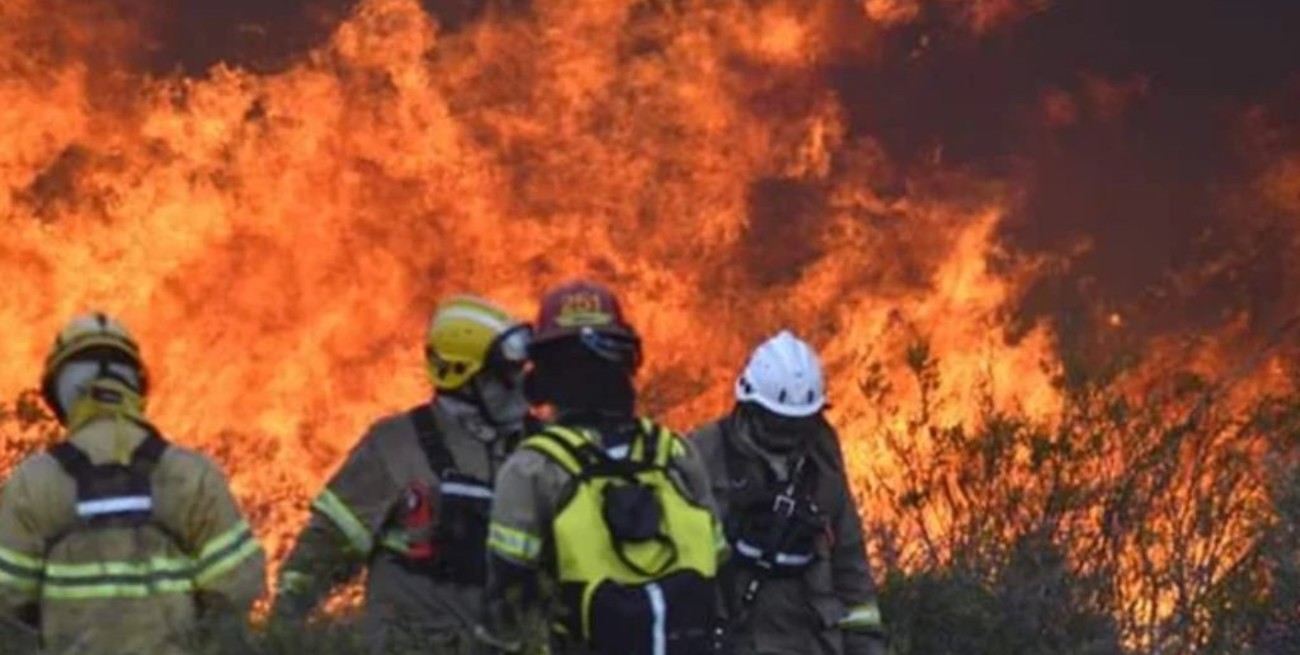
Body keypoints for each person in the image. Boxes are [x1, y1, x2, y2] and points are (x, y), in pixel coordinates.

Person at [271, 294, 533, 652]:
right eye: (504, 376)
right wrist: (282, 627)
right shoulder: (395, 446)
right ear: (464, 379)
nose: (520, 387)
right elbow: (328, 545)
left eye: (521, 371)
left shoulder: (541, 449)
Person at [477, 280, 725, 655]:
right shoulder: (673, 451)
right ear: (627, 365)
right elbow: (720, 565)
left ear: (543, 375)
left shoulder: (533, 467)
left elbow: (508, 595)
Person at [0, 312, 266, 655]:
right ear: (136, 384)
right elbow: (239, 586)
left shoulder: (33, 483)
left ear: (59, 393)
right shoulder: (191, 475)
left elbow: (7, 600)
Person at [689, 331, 887, 655]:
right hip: (734, 641)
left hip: (811, 643)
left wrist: (867, 647)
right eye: (777, 423)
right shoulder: (703, 454)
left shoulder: (822, 461)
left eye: (799, 425)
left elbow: (850, 564)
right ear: (749, 408)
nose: (788, 437)